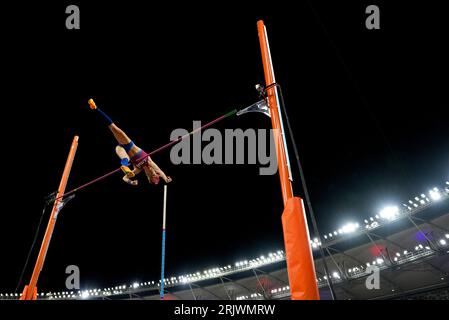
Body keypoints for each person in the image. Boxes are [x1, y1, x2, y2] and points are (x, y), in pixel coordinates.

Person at [88, 98, 172, 186]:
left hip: (121, 149)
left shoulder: (138, 169)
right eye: (154, 173)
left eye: (151, 174)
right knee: (113, 128)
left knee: (126, 159)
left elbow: (124, 178)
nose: (152, 172)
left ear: (147, 175)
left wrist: (131, 182)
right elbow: (160, 172)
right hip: (128, 144)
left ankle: (124, 165)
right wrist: (166, 179)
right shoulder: (149, 162)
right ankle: (95, 108)